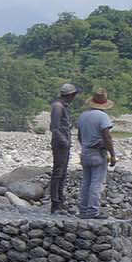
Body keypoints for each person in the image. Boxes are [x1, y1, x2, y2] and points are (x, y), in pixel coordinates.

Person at [76, 90, 117, 218]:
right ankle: (93, 211)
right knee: (96, 183)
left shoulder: (83, 116)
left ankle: (83, 210)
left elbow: (79, 136)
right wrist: (112, 155)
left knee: (86, 182)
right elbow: (107, 137)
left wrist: (86, 146)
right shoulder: (102, 117)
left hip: (85, 152)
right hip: (98, 153)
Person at [48, 83, 79, 214]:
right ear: (70, 95)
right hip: (60, 144)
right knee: (58, 173)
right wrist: (64, 141)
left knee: (63, 173)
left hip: (63, 143)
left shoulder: (61, 106)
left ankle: (60, 201)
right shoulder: (58, 107)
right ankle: (55, 203)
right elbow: (54, 128)